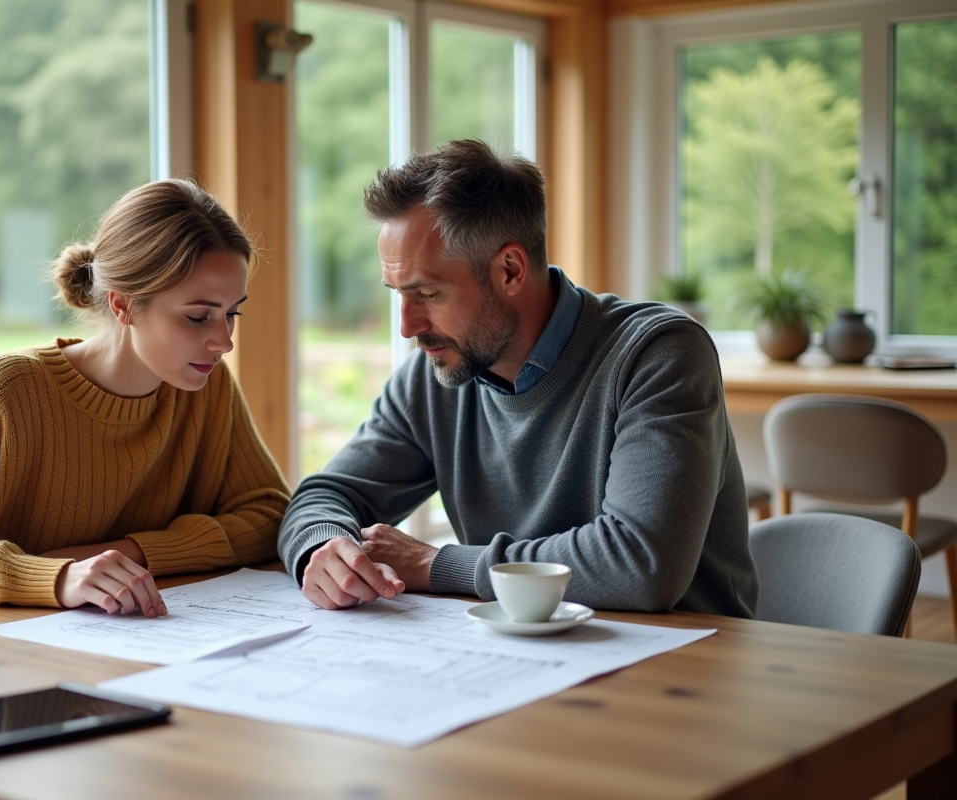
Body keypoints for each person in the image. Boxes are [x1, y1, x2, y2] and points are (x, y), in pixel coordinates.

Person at [278, 139, 757, 618]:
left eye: (426, 292)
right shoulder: (434, 377)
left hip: (682, 665)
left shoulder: (658, 354)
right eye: (397, 294)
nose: (407, 326)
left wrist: (436, 564)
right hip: (524, 663)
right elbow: (326, 495)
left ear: (509, 270)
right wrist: (325, 550)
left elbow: (641, 565)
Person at [0, 180, 290, 622]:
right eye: (198, 317)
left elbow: (268, 515)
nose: (223, 342)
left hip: (97, 641)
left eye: (232, 313)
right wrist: (55, 577)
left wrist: (128, 554)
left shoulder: (207, 388)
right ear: (123, 304)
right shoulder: (12, 390)